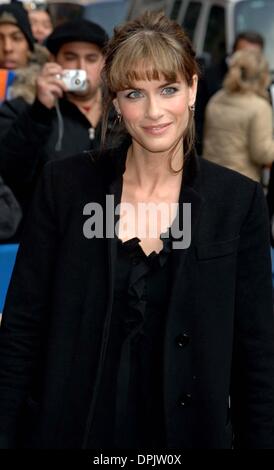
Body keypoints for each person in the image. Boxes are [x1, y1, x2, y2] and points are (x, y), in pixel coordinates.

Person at [0, 10, 274, 450]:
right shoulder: (65, 187)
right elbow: (22, 328)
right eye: (134, 93)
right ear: (115, 100)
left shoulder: (237, 202)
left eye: (168, 89)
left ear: (192, 88)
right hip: (76, 430)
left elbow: (256, 353)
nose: (153, 112)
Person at [0, 18, 111, 224]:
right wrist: (39, 111)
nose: (81, 67)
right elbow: (11, 174)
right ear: (53, 60)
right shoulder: (22, 109)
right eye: (70, 57)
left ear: (104, 64)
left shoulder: (123, 111)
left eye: (91, 58)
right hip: (50, 236)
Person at [203, 49, 274, 182]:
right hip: (241, 182)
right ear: (263, 76)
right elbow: (262, 154)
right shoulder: (259, 107)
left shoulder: (217, 97)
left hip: (210, 177)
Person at [195, 30, 265, 155]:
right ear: (233, 52)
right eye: (243, 54)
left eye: (254, 56)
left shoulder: (263, 83)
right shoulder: (210, 79)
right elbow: (197, 122)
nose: (248, 60)